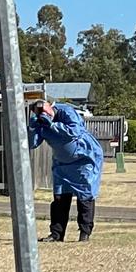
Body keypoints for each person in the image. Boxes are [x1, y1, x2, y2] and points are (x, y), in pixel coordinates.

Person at [28, 100, 103, 242]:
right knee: (59, 198)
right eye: (40, 112)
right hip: (62, 164)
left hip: (84, 158)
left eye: (45, 110)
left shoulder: (65, 111)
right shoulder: (40, 122)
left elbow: (74, 132)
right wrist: (33, 127)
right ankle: (56, 234)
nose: (44, 114)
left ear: (50, 105)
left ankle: (84, 234)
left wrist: (52, 124)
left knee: (85, 196)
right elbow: (33, 144)